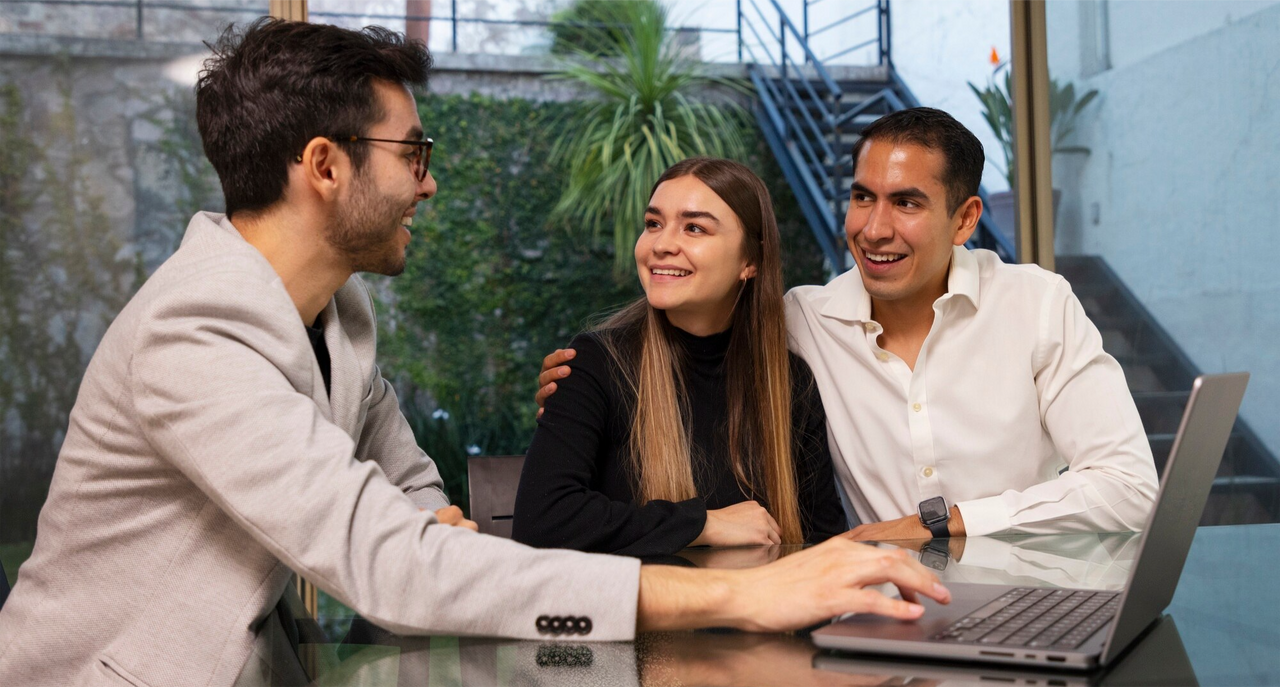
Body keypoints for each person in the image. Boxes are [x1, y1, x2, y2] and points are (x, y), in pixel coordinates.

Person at [0, 20, 950, 686]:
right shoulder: (194, 332)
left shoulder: (342, 314)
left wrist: (435, 536)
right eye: (412, 154)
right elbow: (389, 563)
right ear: (326, 167)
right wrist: (749, 599)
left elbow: (413, 493)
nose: (431, 180)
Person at [537, 108, 1159, 542]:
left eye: (907, 202)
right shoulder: (798, 322)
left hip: (1028, 595)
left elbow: (1128, 488)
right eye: (863, 197)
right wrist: (586, 383)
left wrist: (938, 523)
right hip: (874, 610)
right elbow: (692, 335)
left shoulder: (1038, 304)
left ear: (966, 219)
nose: (874, 228)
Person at [512, 158, 848, 557]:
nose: (661, 244)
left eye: (694, 228)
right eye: (654, 223)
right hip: (640, 617)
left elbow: (821, 542)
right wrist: (703, 523)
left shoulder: (789, 381)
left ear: (750, 261)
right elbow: (541, 522)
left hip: (767, 614)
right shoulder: (595, 364)